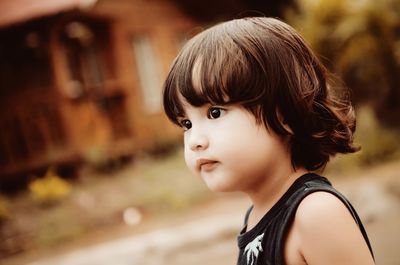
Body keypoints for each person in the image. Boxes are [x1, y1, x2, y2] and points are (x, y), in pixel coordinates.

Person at [162, 17, 375, 265]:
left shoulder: (315, 213)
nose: (195, 141)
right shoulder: (257, 216)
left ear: (283, 113)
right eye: (186, 124)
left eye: (215, 112)